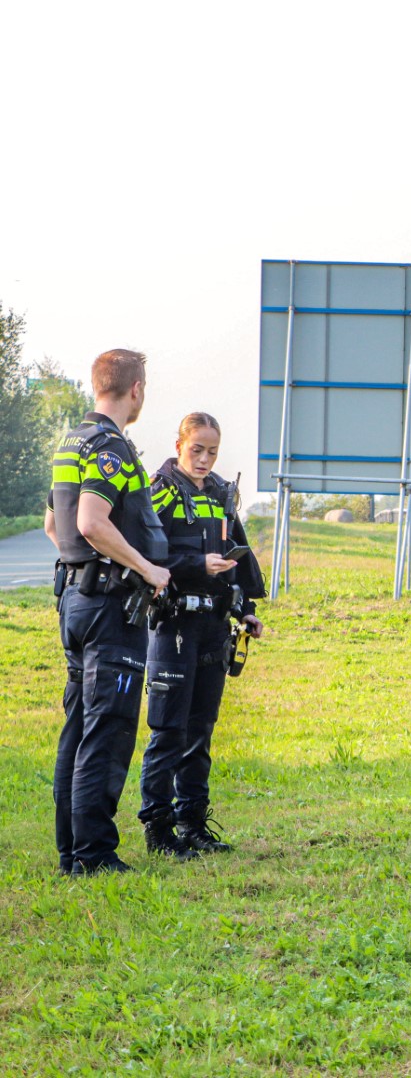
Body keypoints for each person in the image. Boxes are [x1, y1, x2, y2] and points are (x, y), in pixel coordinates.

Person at [44, 349, 170, 875]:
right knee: (109, 728)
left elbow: (55, 525)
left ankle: (72, 850)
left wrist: (85, 569)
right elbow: (94, 522)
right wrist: (146, 568)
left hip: (77, 598)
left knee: (79, 725)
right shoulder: (112, 447)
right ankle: (93, 856)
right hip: (110, 609)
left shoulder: (72, 440)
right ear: (136, 389)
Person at [137, 413, 265, 857]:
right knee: (168, 730)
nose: (205, 459)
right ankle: (158, 829)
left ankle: (193, 822)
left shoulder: (221, 493)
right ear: (179, 444)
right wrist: (195, 565)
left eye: (212, 451)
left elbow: (240, 557)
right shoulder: (160, 491)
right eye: (197, 449)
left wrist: (247, 610)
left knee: (201, 731)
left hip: (214, 625)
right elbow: (144, 553)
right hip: (173, 624)